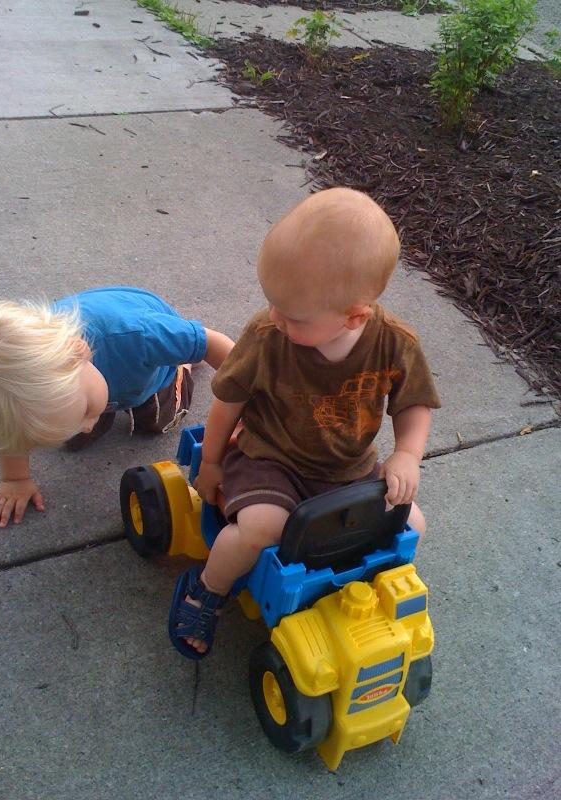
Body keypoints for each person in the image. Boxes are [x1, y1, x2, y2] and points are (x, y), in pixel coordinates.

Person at [168, 188, 441, 660]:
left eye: (292, 315)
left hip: (348, 469)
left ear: (354, 316)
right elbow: (228, 403)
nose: (274, 317)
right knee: (263, 527)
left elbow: (413, 404)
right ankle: (208, 588)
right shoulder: (267, 336)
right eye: (272, 303)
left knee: (411, 523)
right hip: (269, 458)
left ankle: (362, 606)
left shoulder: (394, 344)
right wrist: (211, 463)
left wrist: (406, 454)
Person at [0, 286, 234, 528]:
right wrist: (15, 479)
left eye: (84, 413)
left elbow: (212, 344)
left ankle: (182, 365)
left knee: (156, 420)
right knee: (71, 437)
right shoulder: (49, 377)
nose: (87, 426)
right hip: (102, 382)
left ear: (79, 352)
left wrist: (248, 399)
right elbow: (12, 431)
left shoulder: (137, 333)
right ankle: (93, 405)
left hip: (150, 371)